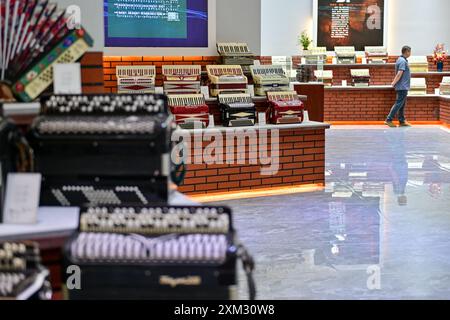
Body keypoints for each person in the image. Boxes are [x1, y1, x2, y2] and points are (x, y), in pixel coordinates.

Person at [385, 46, 412, 128]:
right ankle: (389, 119)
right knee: (398, 104)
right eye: (410, 52)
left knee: (402, 104)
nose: (410, 53)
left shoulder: (401, 60)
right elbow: (399, 73)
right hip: (402, 87)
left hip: (403, 86)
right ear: (406, 52)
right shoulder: (402, 61)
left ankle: (402, 120)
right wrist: (393, 82)